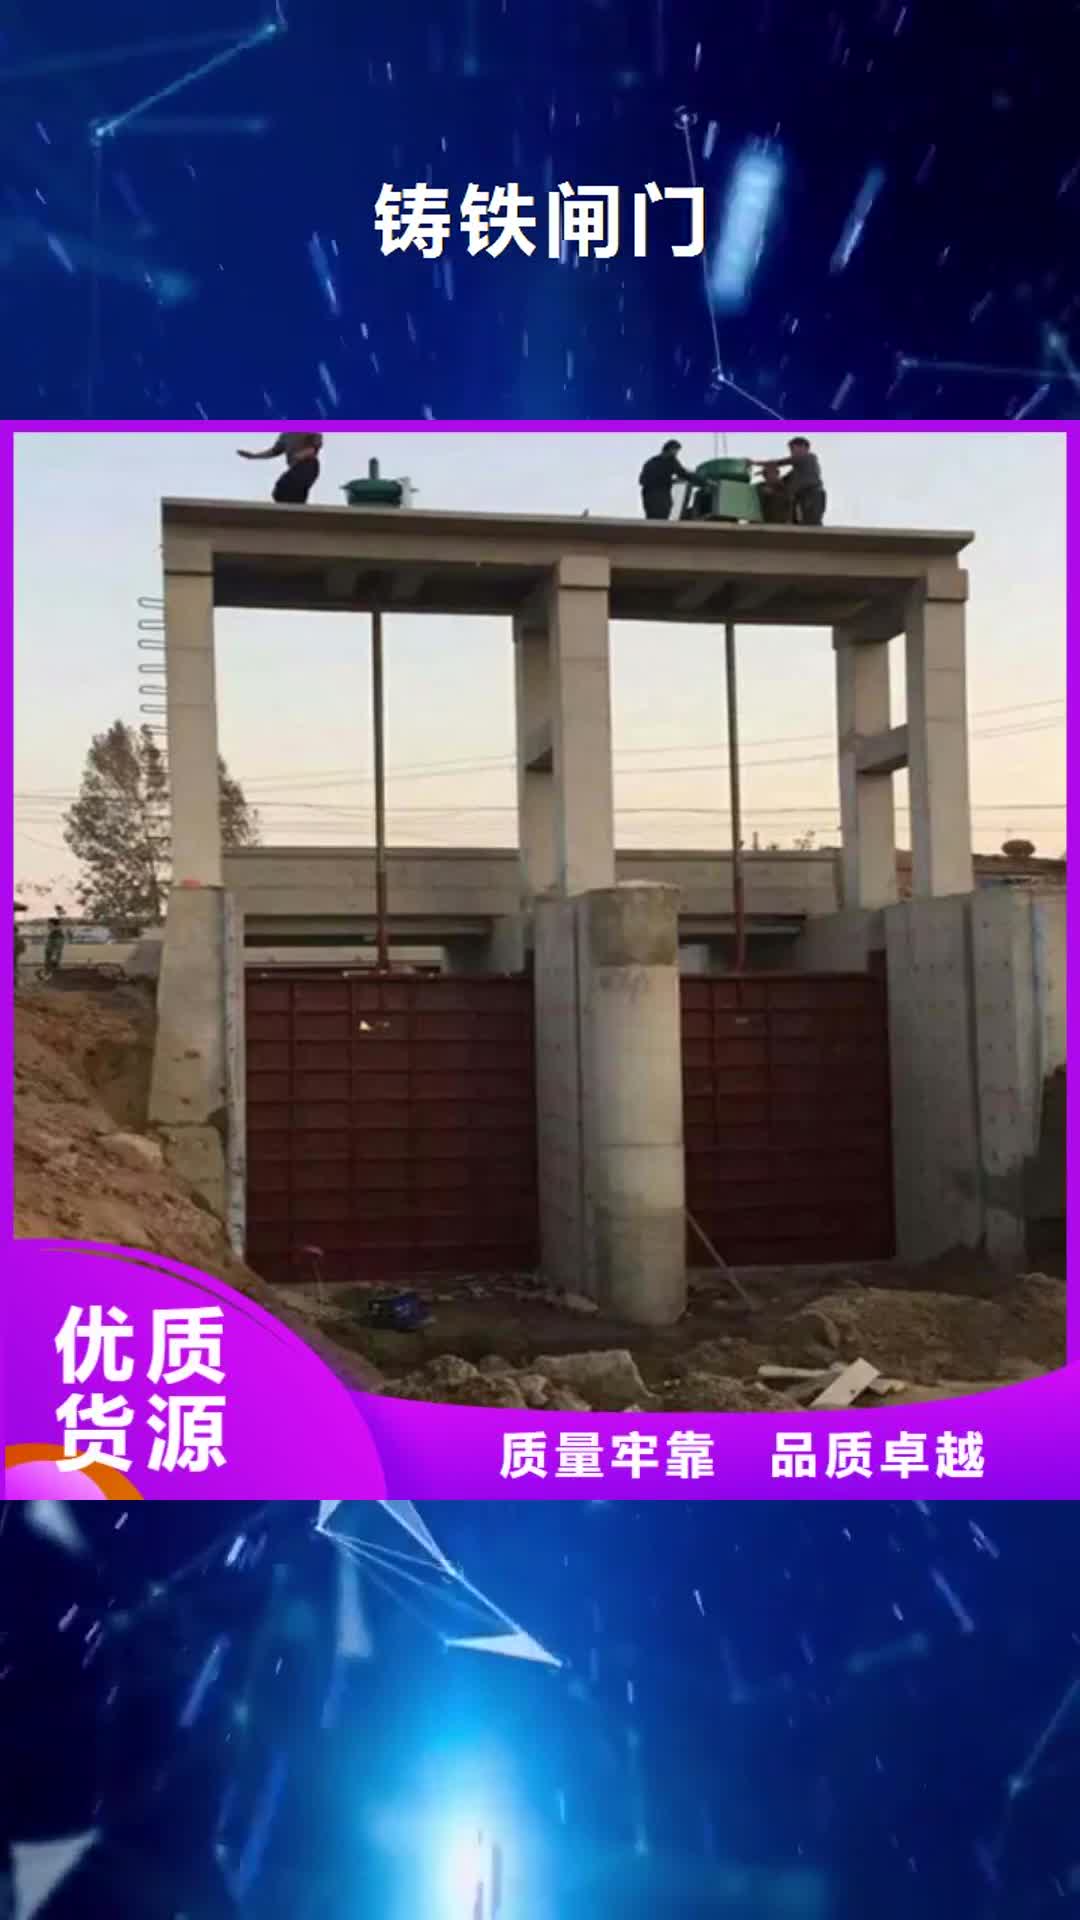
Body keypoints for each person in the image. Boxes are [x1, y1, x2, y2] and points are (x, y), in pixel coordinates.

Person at [753, 437, 827, 525]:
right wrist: (769, 475)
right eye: (791, 450)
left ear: (804, 447)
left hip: (812, 495)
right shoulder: (797, 472)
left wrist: (755, 463)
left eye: (793, 449)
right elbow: (781, 481)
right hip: (802, 499)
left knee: (812, 522)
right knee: (803, 521)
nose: (792, 453)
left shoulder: (809, 458)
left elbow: (780, 462)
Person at [237, 431, 324, 503]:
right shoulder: (286, 435)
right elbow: (273, 451)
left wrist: (303, 454)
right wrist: (253, 456)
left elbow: (314, 448)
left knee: (285, 486)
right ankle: (294, 509)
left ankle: (297, 505)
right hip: (294, 468)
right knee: (278, 493)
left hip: (309, 465)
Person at [639, 439, 698, 520]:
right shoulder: (670, 461)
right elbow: (683, 473)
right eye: (676, 451)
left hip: (649, 496)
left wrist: (670, 481)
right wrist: (703, 481)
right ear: (670, 449)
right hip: (659, 496)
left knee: (652, 519)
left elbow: (642, 481)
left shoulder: (650, 462)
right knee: (660, 519)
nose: (676, 454)